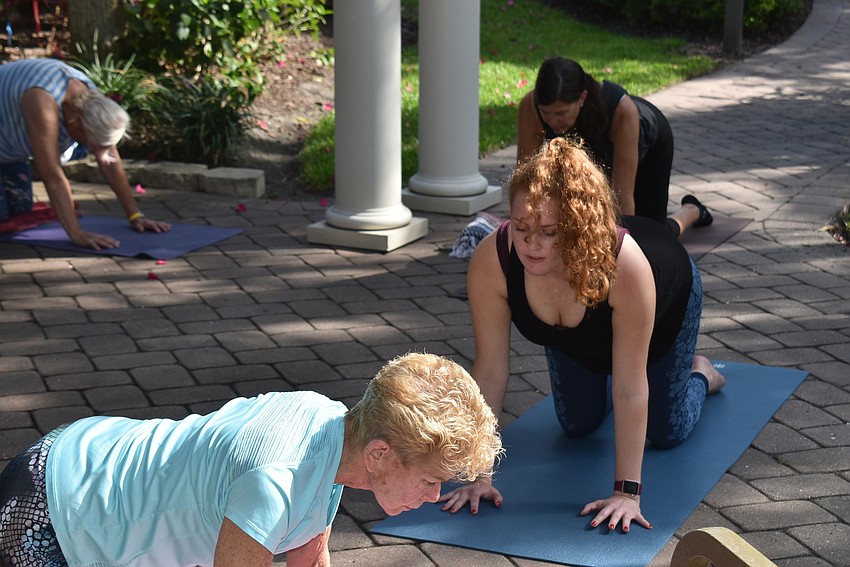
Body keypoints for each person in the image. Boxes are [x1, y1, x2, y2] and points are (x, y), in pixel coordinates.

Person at [439, 138, 725, 533]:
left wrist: (627, 493)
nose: (531, 244)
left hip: (664, 307)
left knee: (666, 431)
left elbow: (629, 387)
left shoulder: (622, 266)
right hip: (577, 336)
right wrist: (478, 475)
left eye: (549, 232)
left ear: (576, 228)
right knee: (578, 425)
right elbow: (488, 372)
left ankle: (703, 373)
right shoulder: (495, 259)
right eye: (521, 227)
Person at [0, 352, 503, 567]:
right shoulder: (276, 480)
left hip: (85, 458)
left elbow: (308, 556)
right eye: (431, 480)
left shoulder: (336, 432)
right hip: (52, 507)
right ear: (381, 455)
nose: (435, 496)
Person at [516, 56, 713, 238]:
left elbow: (622, 200)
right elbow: (524, 182)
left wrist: (621, 253)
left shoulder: (621, 112)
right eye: (546, 113)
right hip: (595, 146)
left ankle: (691, 211)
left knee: (652, 237)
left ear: (582, 98)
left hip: (648, 142)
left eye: (560, 113)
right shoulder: (531, 107)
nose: (552, 121)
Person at [0, 58, 171, 249]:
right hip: (6, 143)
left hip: (9, 148)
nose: (94, 151)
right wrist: (76, 233)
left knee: (19, 210)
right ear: (77, 124)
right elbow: (52, 175)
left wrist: (135, 215)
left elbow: (110, 161)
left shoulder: (91, 99)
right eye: (92, 144)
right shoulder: (42, 100)